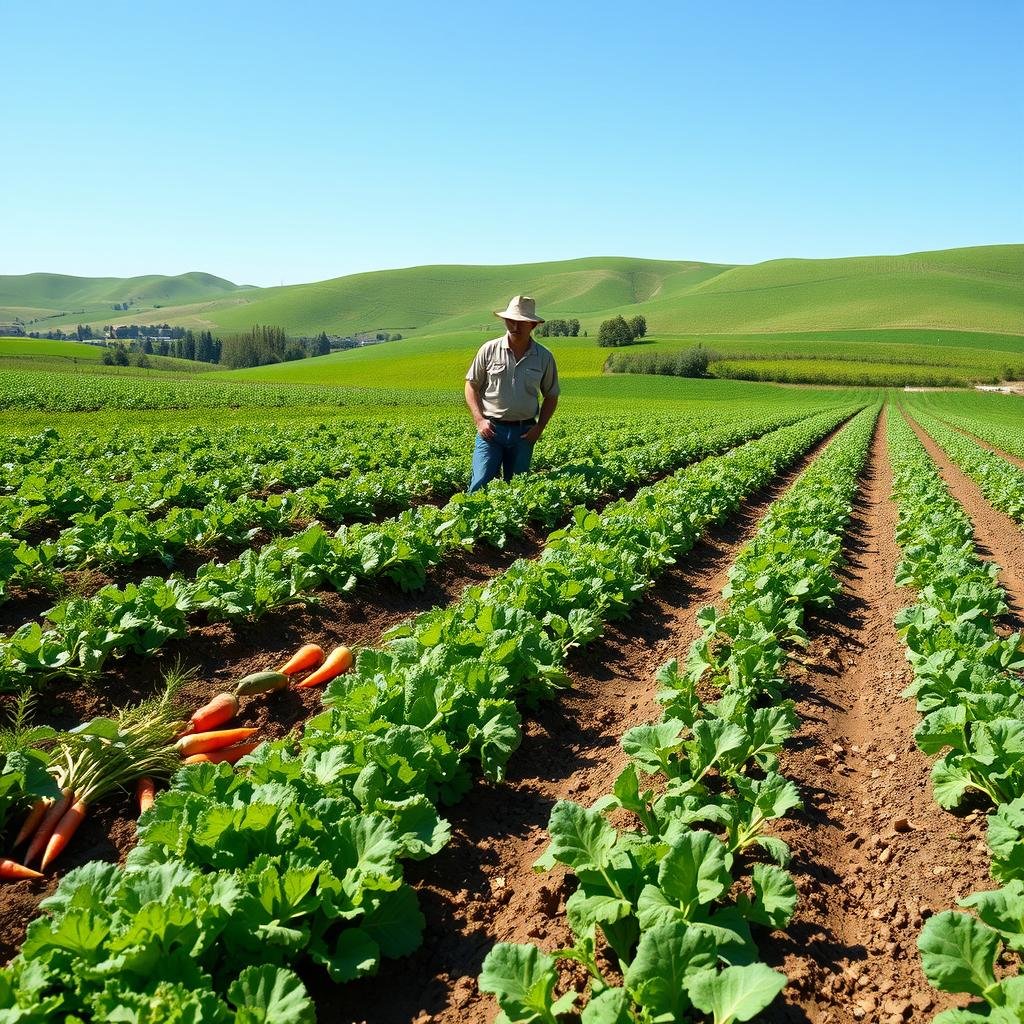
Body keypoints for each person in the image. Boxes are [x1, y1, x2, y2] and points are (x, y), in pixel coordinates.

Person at [464, 295, 560, 493]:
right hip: (491, 430)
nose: (515, 325)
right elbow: (471, 385)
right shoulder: (489, 350)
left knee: (517, 489)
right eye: (511, 320)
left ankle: (510, 525)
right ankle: (474, 522)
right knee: (480, 482)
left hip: (523, 432)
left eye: (521, 322)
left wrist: (539, 427)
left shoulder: (543, 357)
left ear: (532, 325)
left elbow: (551, 395)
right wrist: (479, 420)